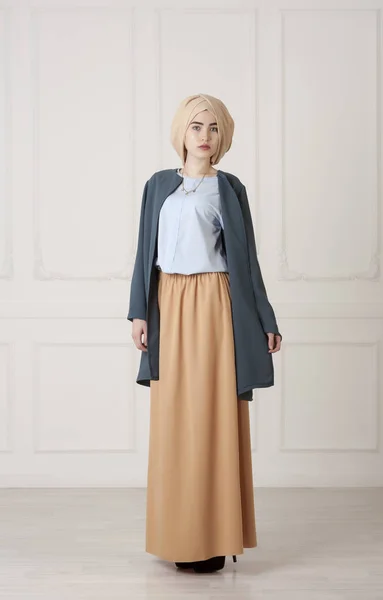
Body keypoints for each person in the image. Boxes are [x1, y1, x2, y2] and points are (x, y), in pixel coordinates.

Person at [128, 93, 282, 574]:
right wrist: (139, 313)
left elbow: (247, 260)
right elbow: (143, 254)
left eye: (213, 128)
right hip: (169, 303)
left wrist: (265, 319)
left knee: (214, 419)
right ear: (182, 131)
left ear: (223, 137)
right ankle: (179, 536)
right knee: (174, 420)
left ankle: (214, 539)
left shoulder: (230, 189)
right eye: (197, 126)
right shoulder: (158, 187)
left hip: (216, 304)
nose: (205, 137)